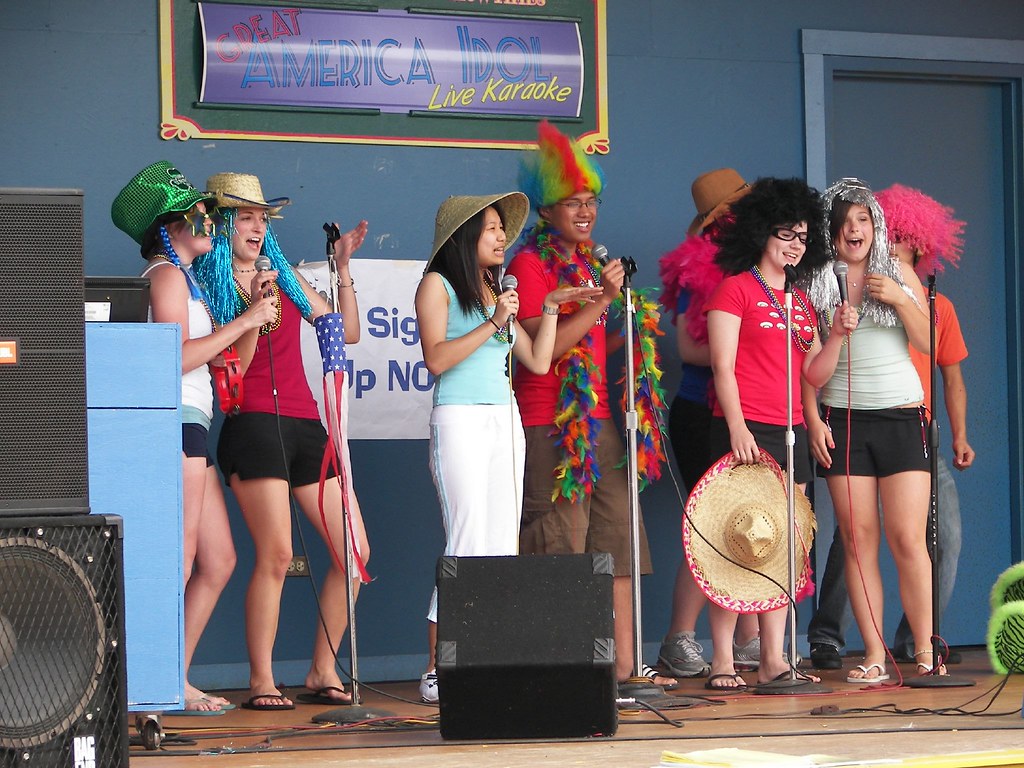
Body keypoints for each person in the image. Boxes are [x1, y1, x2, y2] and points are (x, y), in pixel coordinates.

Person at [414, 192, 602, 703]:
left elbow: (538, 361)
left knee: (500, 543)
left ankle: (483, 657)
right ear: (464, 236)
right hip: (460, 420)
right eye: (492, 228)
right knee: (468, 537)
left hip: (505, 420)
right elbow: (436, 360)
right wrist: (495, 320)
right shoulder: (438, 284)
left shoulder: (494, 291)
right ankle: (436, 664)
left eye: (503, 229)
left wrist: (546, 307)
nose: (502, 238)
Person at [192, 173, 370, 711]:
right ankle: (262, 680)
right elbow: (234, 374)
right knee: (275, 554)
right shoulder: (208, 279)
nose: (256, 226)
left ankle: (322, 670)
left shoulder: (285, 274)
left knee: (355, 553)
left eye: (263, 217)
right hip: (252, 423)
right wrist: (252, 313)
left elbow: (347, 330)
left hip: (305, 423)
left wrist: (341, 270)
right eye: (245, 216)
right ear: (223, 223)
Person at [505, 120, 673, 686]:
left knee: (617, 543)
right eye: (572, 202)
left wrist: (628, 322)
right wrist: (601, 300)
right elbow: (544, 349)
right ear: (546, 210)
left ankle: (625, 669)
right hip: (551, 424)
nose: (584, 211)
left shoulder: (588, 264)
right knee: (561, 544)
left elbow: (606, 342)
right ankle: (565, 673)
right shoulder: (528, 265)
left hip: (604, 422)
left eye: (591, 201)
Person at [111, 162, 279, 713]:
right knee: (178, 558)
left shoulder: (184, 278)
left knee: (218, 559)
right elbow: (174, 360)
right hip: (174, 420)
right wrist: (242, 320)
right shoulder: (164, 274)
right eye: (198, 214)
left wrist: (252, 317)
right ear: (171, 227)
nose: (209, 221)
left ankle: (171, 675)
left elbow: (229, 366)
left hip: (195, 422)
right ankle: (152, 686)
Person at [807, 184, 973, 669]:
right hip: (843, 419)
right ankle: (876, 655)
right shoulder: (816, 281)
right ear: (831, 231)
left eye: (862, 219)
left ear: (874, 226)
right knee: (858, 542)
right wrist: (814, 416)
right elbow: (811, 367)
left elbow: (928, 342)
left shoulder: (896, 270)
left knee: (907, 538)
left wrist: (901, 299)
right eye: (844, 222)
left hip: (902, 416)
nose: (853, 229)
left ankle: (924, 651)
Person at [702, 176, 851, 689]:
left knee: (784, 545)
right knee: (732, 541)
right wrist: (739, 427)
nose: (794, 244)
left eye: (803, 237)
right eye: (785, 233)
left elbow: (814, 375)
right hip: (749, 429)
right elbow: (722, 367)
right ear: (762, 234)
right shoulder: (735, 288)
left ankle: (773, 659)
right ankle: (722, 659)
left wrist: (835, 338)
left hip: (791, 430)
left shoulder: (803, 302)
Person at [656, 168, 761, 677]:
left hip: (747, 411)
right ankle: (678, 638)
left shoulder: (757, 268)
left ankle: (747, 638)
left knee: (748, 525)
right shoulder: (701, 269)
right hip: (704, 413)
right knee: (713, 528)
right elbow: (689, 347)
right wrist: (746, 353)